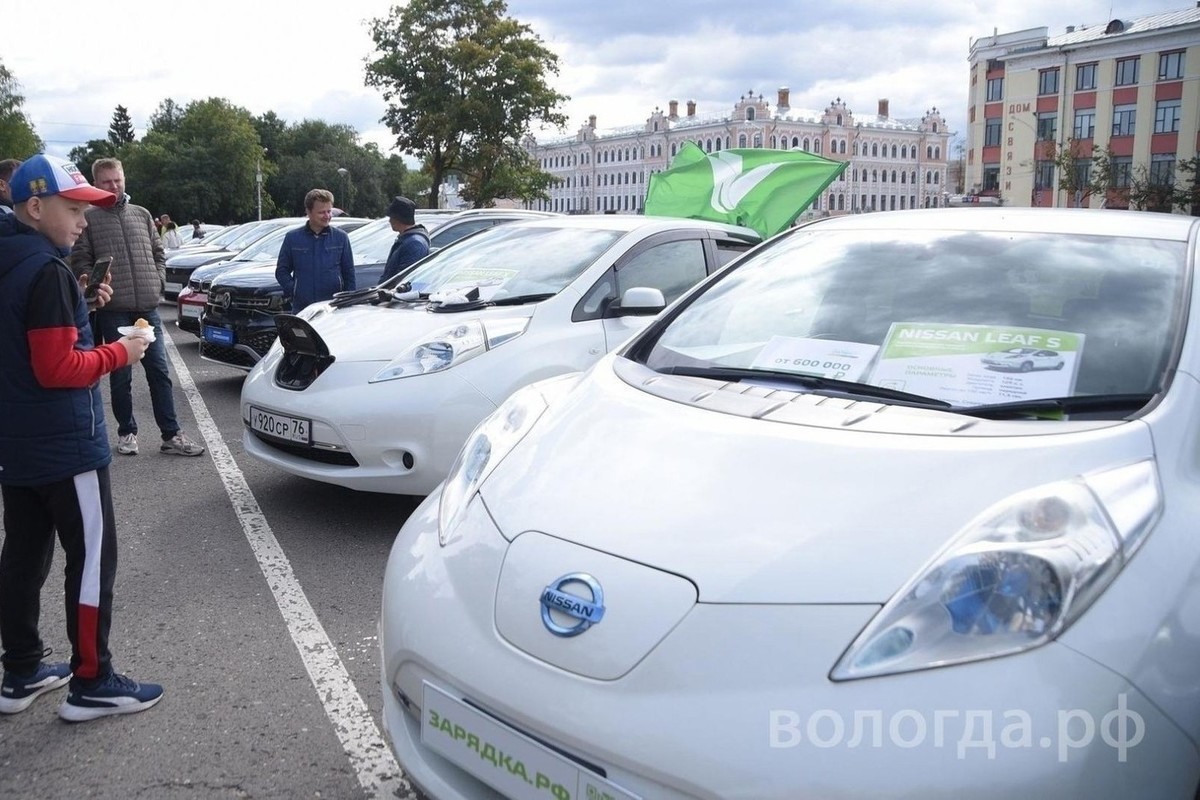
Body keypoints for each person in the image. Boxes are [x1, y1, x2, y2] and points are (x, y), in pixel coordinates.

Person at [0, 153, 163, 722]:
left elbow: (28, 342)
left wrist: (82, 302)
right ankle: (92, 681)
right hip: (65, 444)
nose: (84, 220)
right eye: (73, 208)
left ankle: (20, 670)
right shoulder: (46, 270)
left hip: (17, 444)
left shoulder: (20, 261)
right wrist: (124, 351)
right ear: (35, 206)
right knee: (92, 559)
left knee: (21, 556)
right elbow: (56, 368)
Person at [68, 158, 205, 457]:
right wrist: (94, 287)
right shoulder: (89, 218)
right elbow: (80, 259)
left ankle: (171, 435)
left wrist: (156, 281)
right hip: (113, 309)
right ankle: (127, 432)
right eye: (106, 182)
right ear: (96, 184)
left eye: (118, 180)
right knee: (121, 376)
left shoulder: (142, 214)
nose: (114, 186)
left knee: (159, 372)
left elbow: (159, 253)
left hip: (147, 308)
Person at [275, 188, 355, 312]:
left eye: (329, 211)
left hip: (332, 307)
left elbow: (349, 273)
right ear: (308, 211)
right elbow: (281, 271)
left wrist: (347, 302)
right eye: (322, 212)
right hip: (303, 308)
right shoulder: (293, 238)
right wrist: (295, 290)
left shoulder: (341, 238)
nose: (327, 216)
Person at [379, 196, 430, 282]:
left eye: (391, 217)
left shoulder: (414, 244)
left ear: (399, 219)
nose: (390, 221)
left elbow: (404, 279)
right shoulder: (409, 240)